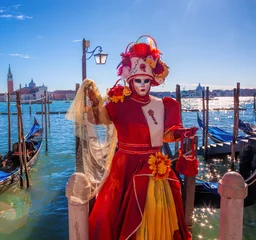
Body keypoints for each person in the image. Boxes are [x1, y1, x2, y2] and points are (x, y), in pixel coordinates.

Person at [67, 35, 197, 240]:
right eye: (138, 80)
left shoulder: (164, 105)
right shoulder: (119, 102)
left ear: (153, 81)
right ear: (130, 79)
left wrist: (182, 134)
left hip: (157, 167)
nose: (143, 85)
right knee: (115, 213)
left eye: (147, 81)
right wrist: (94, 102)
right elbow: (98, 119)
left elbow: (167, 136)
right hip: (125, 167)